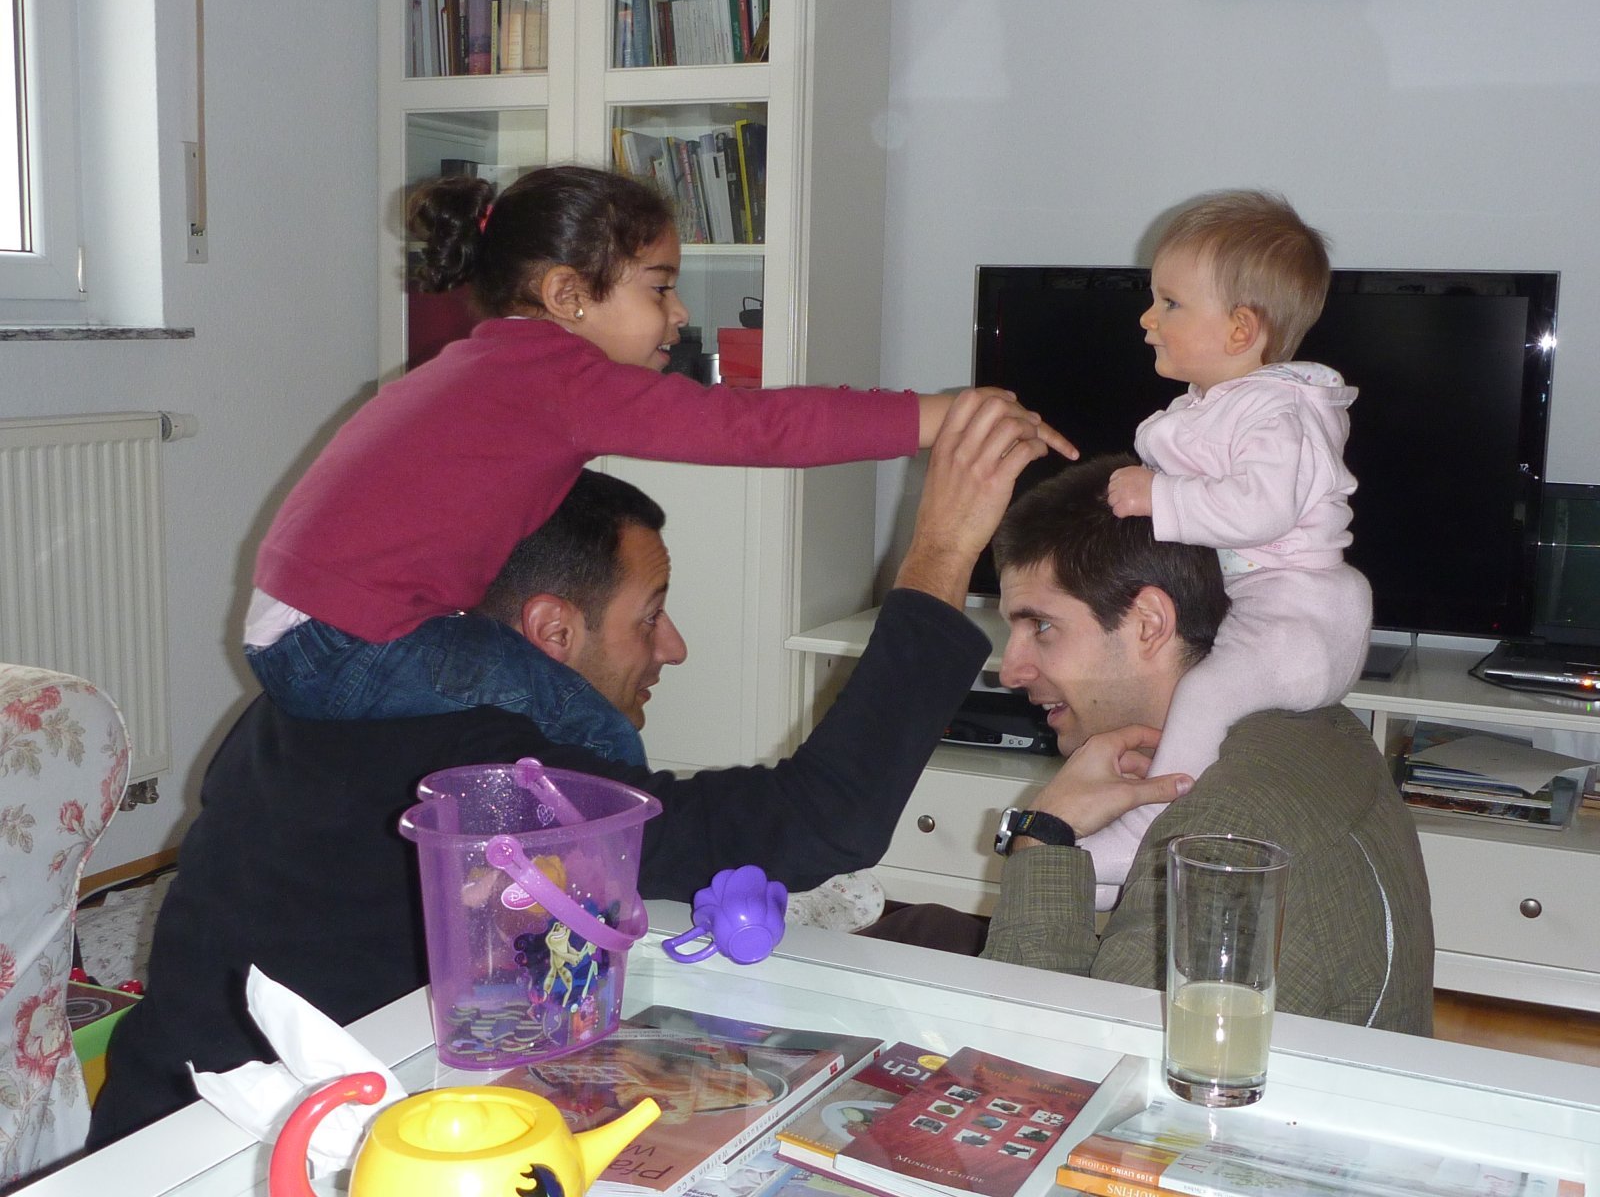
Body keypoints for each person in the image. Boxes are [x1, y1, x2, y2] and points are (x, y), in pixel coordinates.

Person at [88, 389, 1056, 1147]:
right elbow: (821, 818)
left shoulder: (329, 697)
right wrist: (941, 551)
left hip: (154, 1106)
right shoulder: (491, 776)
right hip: (236, 1157)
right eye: (650, 614)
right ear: (551, 630)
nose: (672, 647)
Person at [245, 163, 1071, 766]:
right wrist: (937, 416)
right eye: (659, 288)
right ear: (568, 296)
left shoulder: (493, 366)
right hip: (345, 640)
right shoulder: (554, 376)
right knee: (595, 727)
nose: (678, 315)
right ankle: (609, 896)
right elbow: (755, 428)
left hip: (319, 628)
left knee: (523, 709)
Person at [976, 455, 1433, 1034]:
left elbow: (1050, 1058)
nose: (1010, 670)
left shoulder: (1217, 836)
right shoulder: (1315, 724)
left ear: (1148, 622)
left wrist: (1043, 833)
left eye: (1041, 626)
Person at [1083, 190, 1372, 909]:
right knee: (1196, 698)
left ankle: (1146, 830)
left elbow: (1261, 507)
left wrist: (1162, 496)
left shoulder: (1276, 412)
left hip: (1297, 614)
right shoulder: (1234, 402)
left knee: (1205, 692)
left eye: (1170, 303)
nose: (1148, 319)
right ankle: (1136, 842)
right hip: (1282, 607)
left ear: (1241, 328)